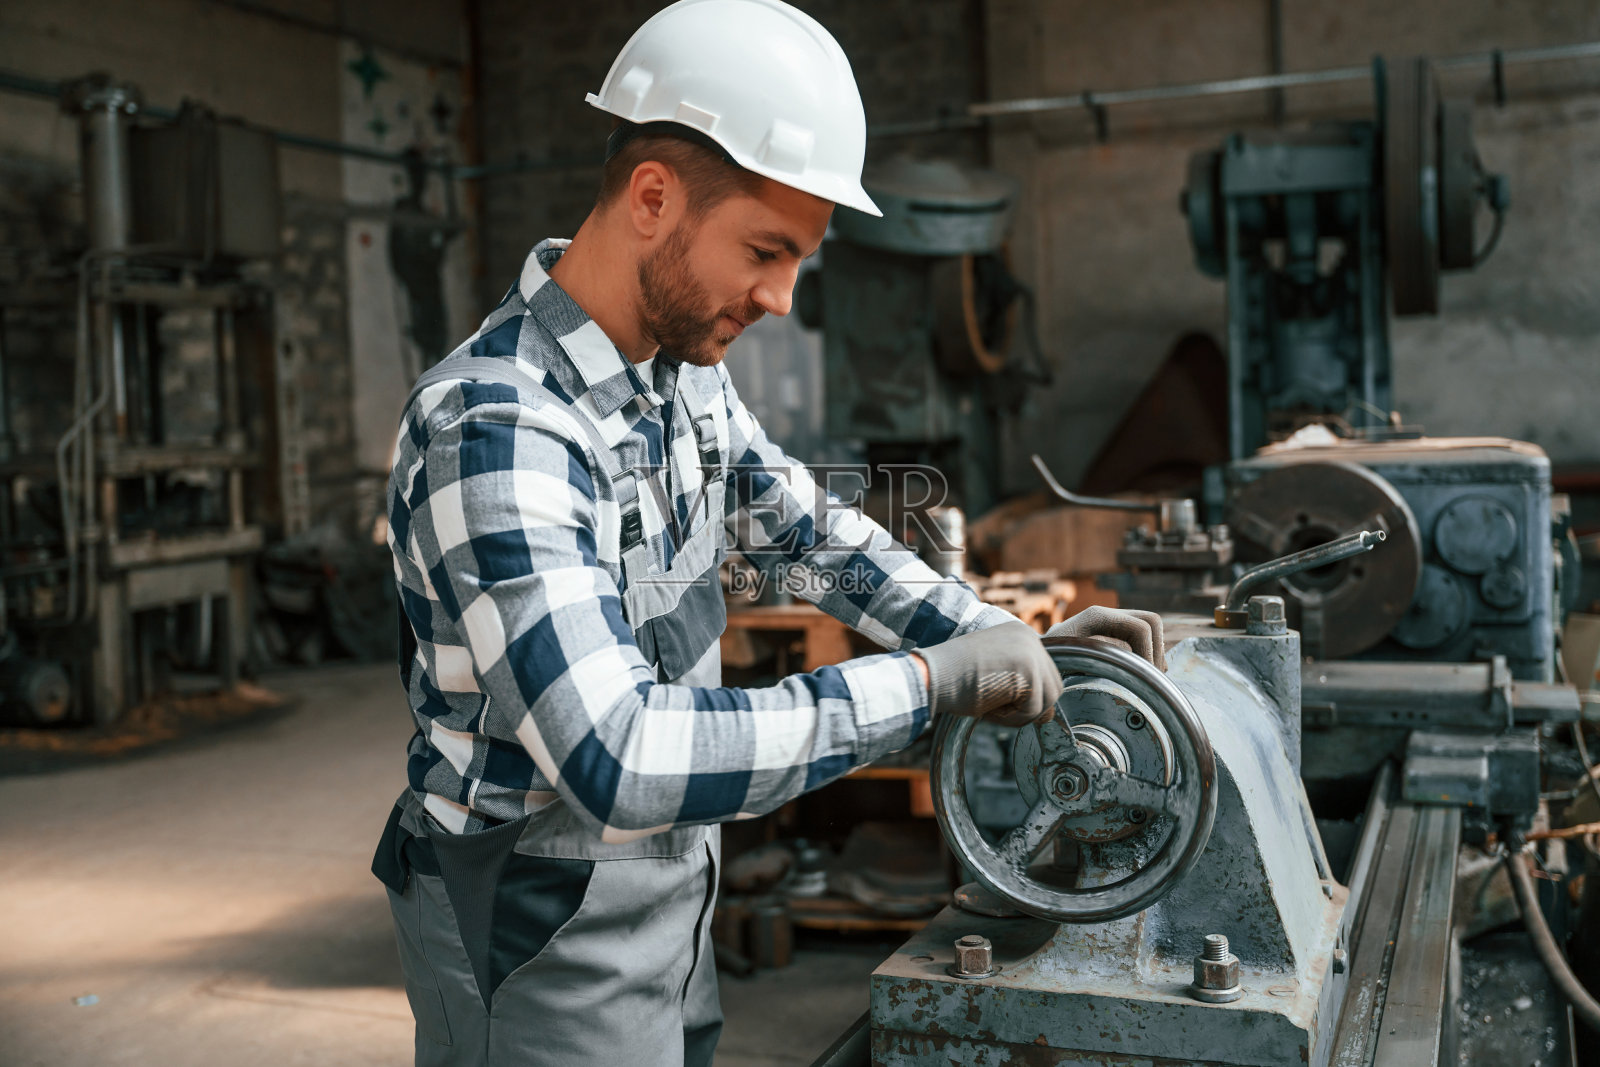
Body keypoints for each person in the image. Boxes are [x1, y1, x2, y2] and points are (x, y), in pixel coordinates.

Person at [371, 2, 1163, 1064]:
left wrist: (998, 637)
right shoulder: (499, 430)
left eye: (799, 260)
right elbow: (618, 753)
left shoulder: (680, 378)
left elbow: (811, 535)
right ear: (653, 198)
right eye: (764, 249)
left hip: (673, 888)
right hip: (533, 925)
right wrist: (930, 683)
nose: (783, 298)